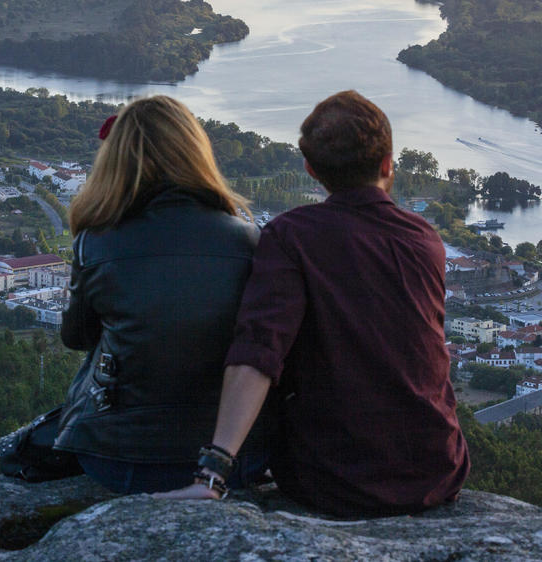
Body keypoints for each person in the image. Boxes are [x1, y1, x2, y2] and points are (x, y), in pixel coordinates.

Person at [161, 90, 469, 516]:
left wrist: (212, 473)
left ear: (310, 169)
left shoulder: (291, 236)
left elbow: (258, 351)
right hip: (437, 472)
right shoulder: (424, 239)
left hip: (333, 481)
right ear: (387, 163)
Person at [53, 95, 268, 494]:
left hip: (118, 459)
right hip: (232, 460)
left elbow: (76, 337)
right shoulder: (251, 242)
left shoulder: (95, 244)